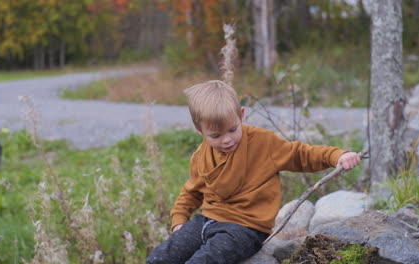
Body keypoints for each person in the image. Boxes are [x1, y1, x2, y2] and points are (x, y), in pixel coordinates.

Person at [146, 80, 361, 264]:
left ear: (241, 115)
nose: (227, 139)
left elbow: (300, 154)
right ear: (200, 131)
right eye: (216, 135)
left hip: (245, 228)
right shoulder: (201, 155)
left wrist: (337, 156)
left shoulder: (263, 143)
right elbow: (191, 192)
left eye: (232, 129)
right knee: (161, 257)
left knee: (204, 260)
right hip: (206, 221)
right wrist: (179, 221)